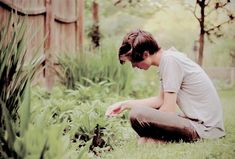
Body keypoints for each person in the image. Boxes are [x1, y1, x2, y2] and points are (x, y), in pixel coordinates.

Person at [105, 29, 225, 144]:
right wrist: (124, 104)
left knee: (137, 115)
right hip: (201, 124)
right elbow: (160, 100)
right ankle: (157, 140)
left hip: (206, 129)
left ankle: (158, 140)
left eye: (133, 62)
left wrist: (151, 128)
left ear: (146, 54)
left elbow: (168, 110)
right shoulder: (168, 59)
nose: (134, 66)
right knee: (141, 114)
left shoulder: (170, 61)